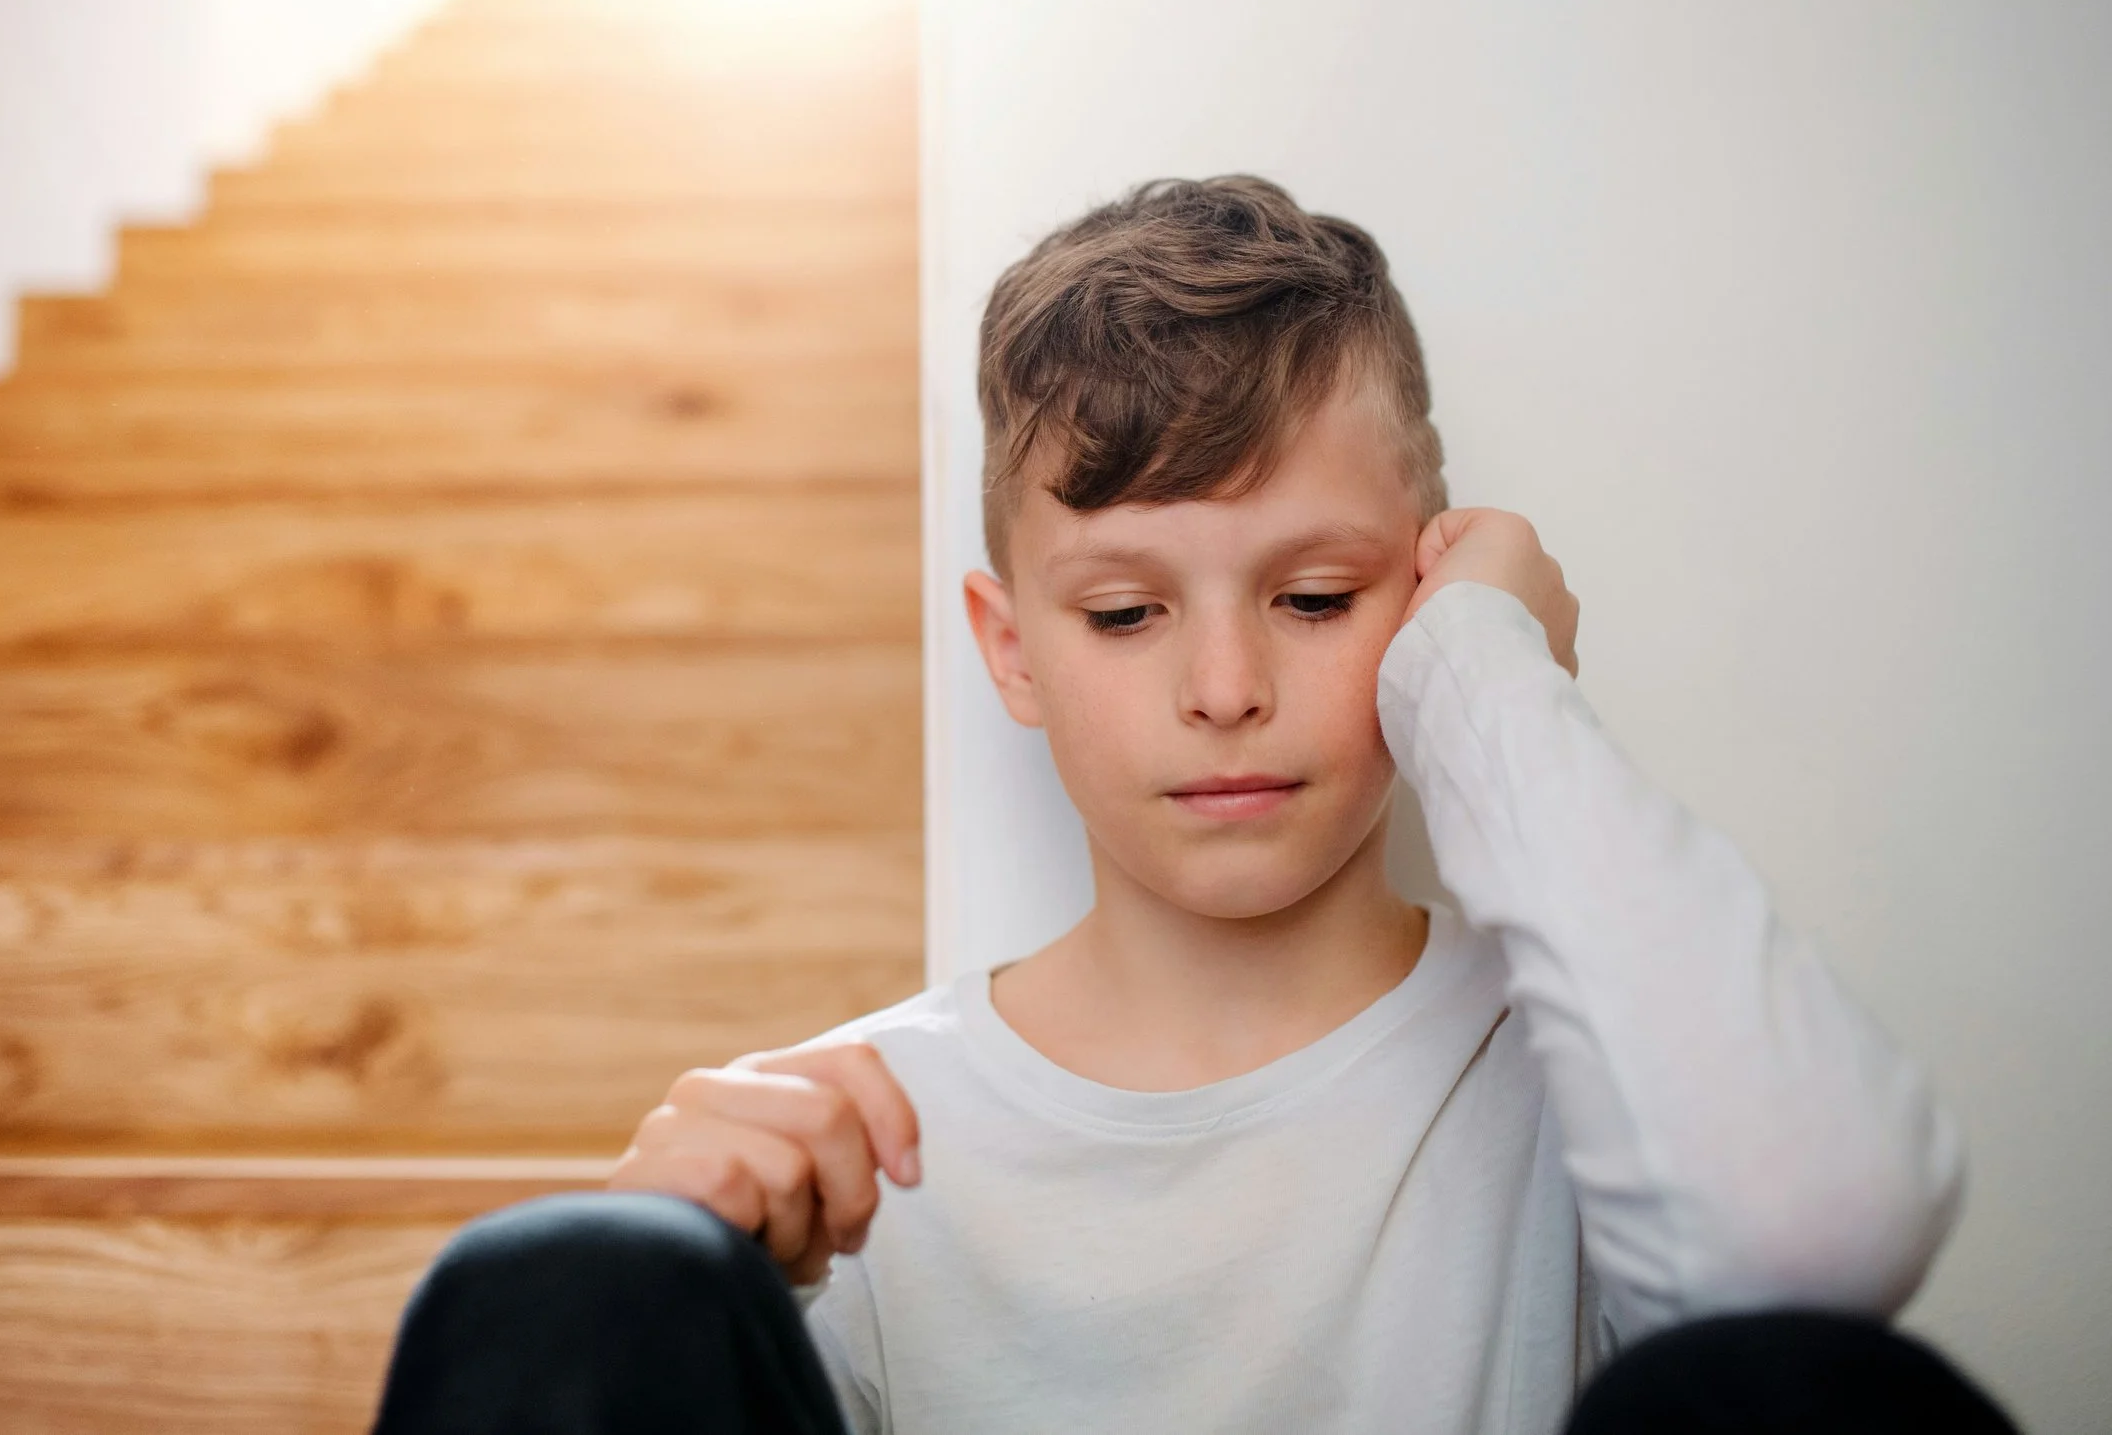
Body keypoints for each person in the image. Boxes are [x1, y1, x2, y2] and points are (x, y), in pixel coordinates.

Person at [372, 177, 2016, 1434]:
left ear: (1427, 595)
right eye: (1125, 612)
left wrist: (1492, 677)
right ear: (1011, 650)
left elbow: (1824, 1229)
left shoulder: (1602, 1077)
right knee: (574, 1280)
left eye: (1315, 598)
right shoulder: (865, 1143)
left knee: (1806, 1387)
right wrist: (690, 1275)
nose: (1223, 686)